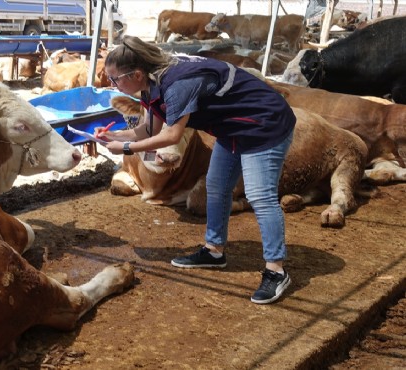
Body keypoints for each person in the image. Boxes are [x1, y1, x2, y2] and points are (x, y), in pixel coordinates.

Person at [97, 35, 296, 305]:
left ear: (136, 73)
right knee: (216, 186)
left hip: (263, 123)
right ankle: (214, 251)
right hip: (231, 128)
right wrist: (116, 137)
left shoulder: (177, 84)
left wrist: (129, 149)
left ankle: (276, 270)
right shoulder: (150, 86)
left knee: (260, 195)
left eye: (115, 79)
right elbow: (150, 129)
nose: (113, 85)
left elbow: (171, 136)